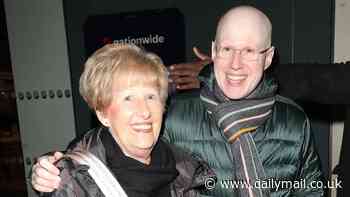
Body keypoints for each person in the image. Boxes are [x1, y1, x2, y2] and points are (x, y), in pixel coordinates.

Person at [31, 5, 324, 197]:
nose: (235, 63)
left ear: (268, 57)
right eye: (227, 49)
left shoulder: (294, 122)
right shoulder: (174, 114)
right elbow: (112, 139)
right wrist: (53, 167)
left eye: (249, 51)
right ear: (213, 50)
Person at [31, 43, 215, 197]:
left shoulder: (184, 167)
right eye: (128, 98)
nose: (144, 111)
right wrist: (49, 172)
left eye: (151, 97)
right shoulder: (79, 181)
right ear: (103, 114)